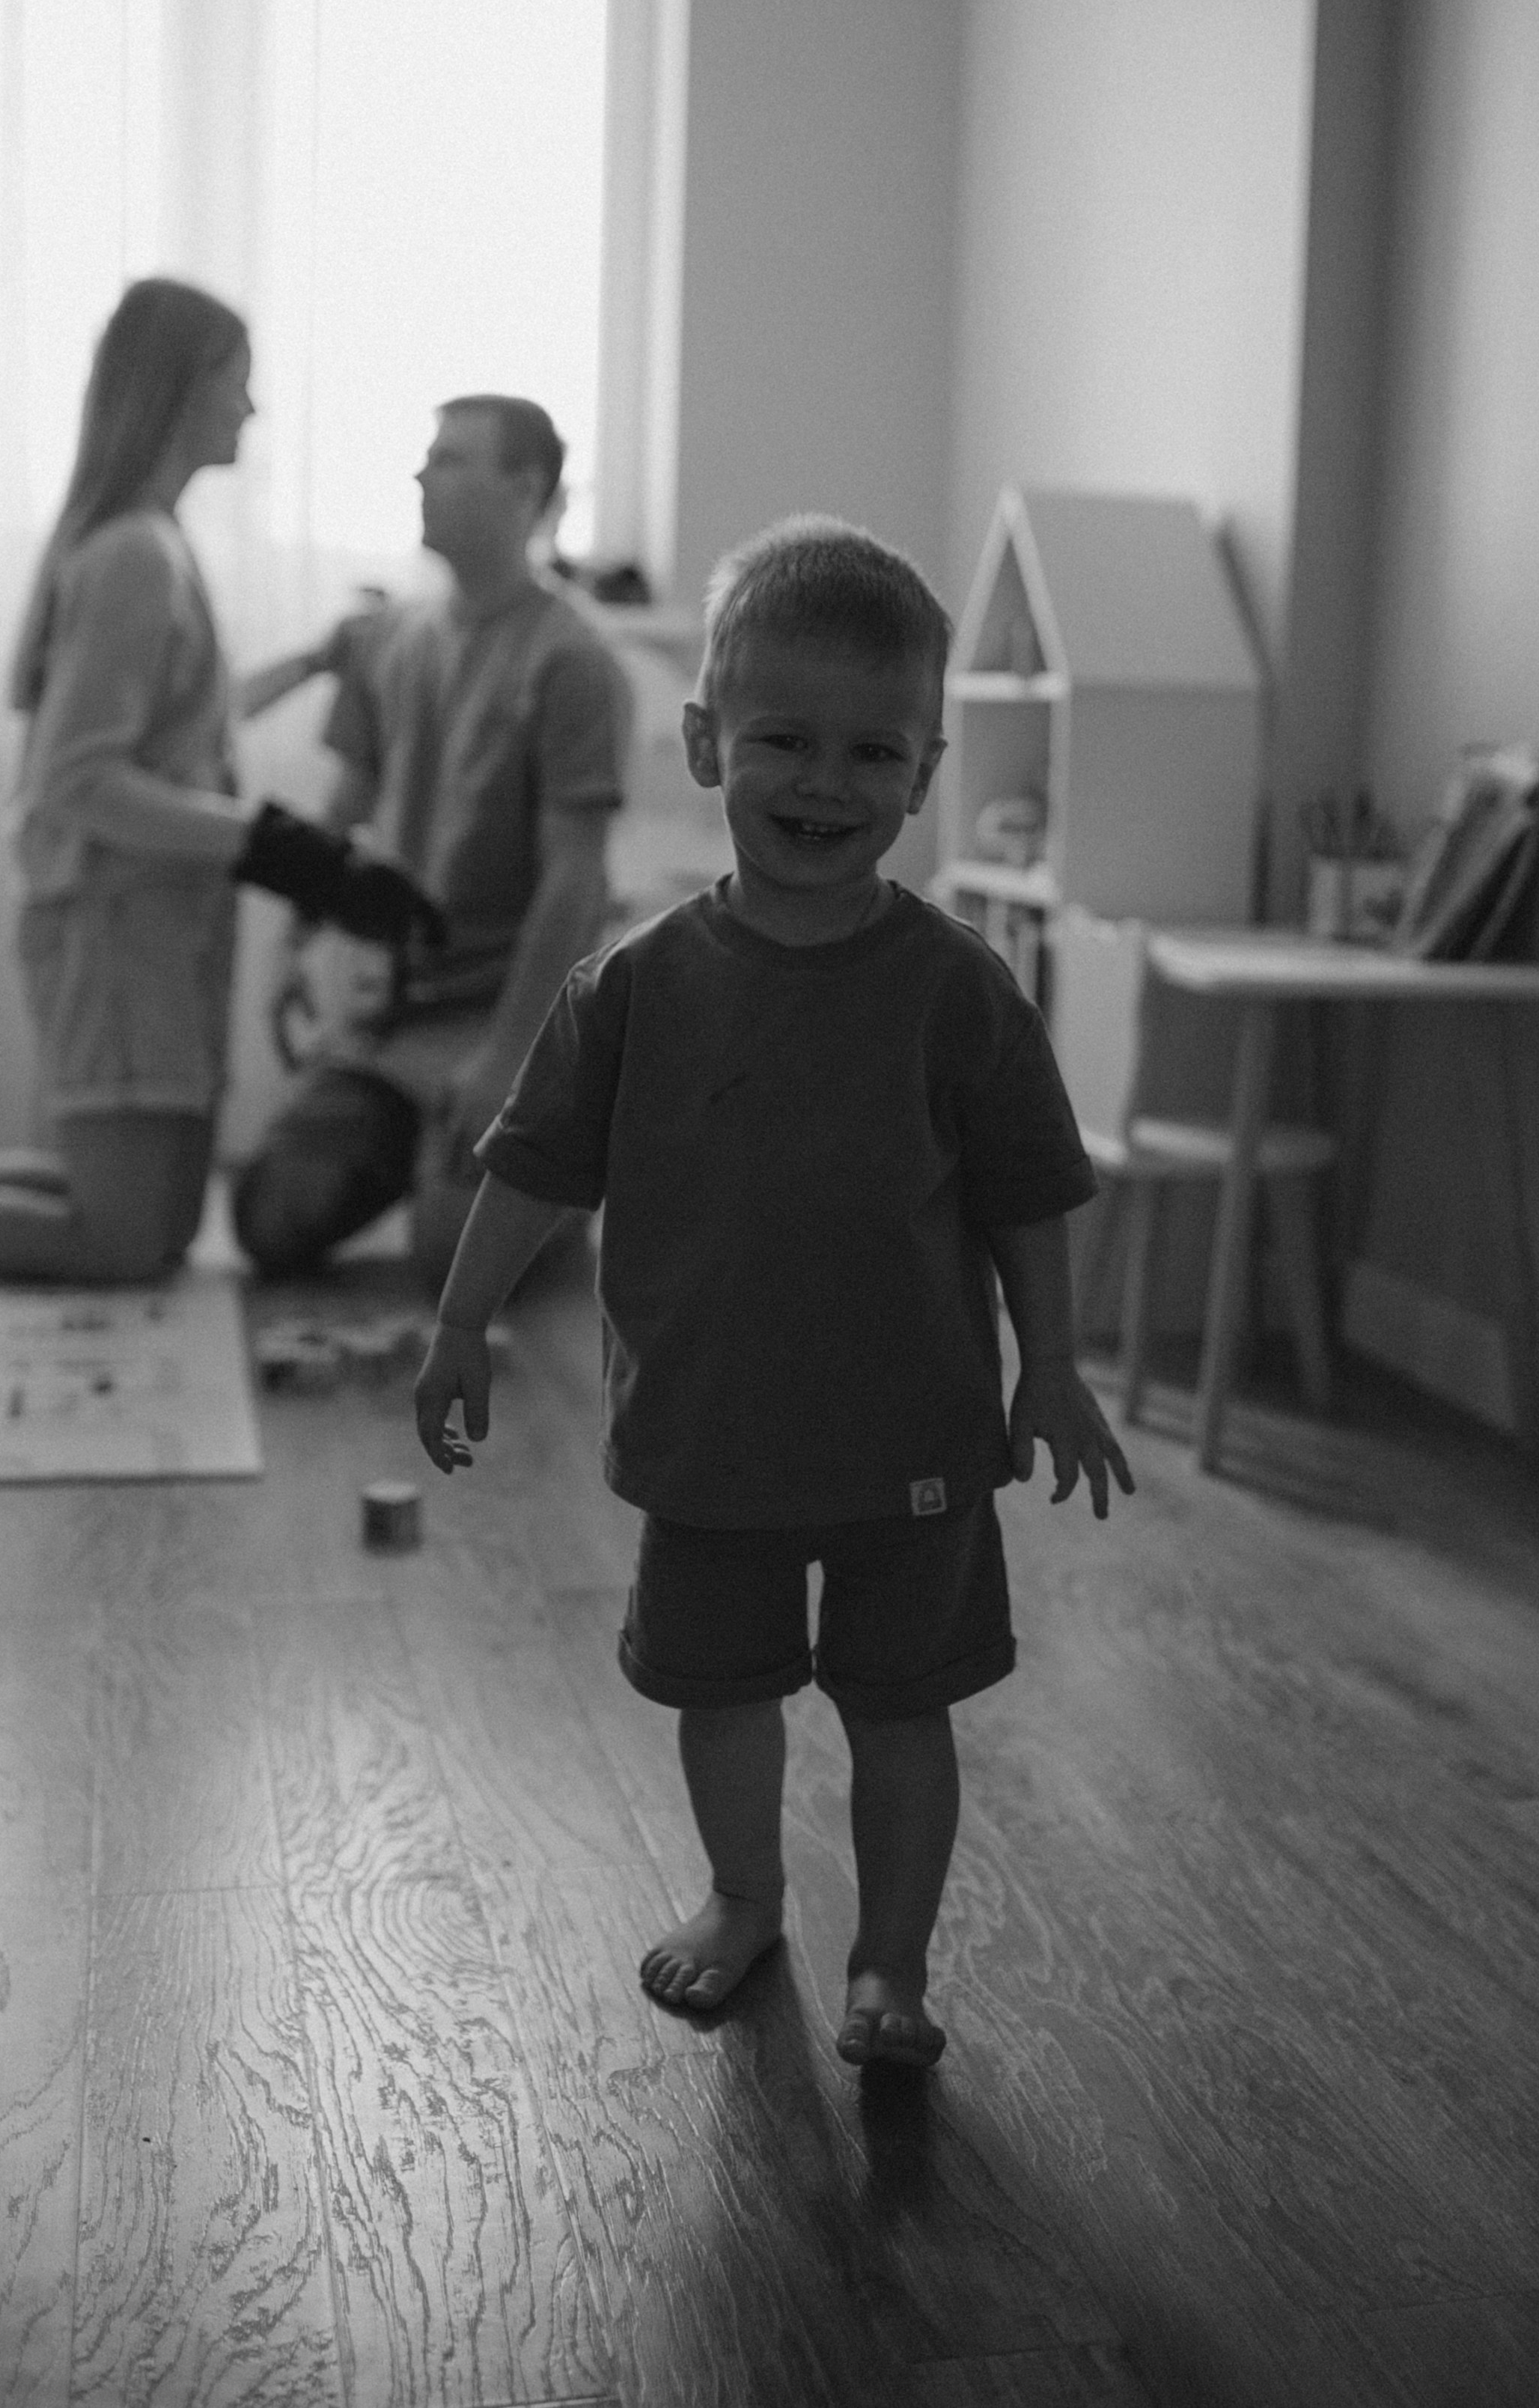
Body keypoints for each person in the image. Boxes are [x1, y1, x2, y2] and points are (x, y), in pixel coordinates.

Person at [413, 516, 1133, 2071]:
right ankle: (744, 1897)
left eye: (872, 749)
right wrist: (464, 1316)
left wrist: (1054, 1363)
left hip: (917, 1438)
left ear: (925, 770)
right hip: (710, 1429)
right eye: (783, 740)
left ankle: (889, 1963)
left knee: (899, 1704)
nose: (824, 780)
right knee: (721, 1690)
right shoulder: (636, 986)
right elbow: (535, 1162)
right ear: (701, 742)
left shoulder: (957, 990)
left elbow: (1027, 1191)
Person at [0, 278, 442, 1287]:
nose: (251, 408)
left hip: (144, 927)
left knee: (145, 1212)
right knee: (130, 1243)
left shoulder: (146, 539)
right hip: (115, 935)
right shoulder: (134, 555)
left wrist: (314, 659)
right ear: (180, 388)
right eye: (236, 383)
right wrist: (284, 848)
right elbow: (79, 779)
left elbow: (173, 733)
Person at [231, 394, 633, 1293]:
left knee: (454, 1261)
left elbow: (575, 878)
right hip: (389, 1025)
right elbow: (344, 806)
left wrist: (507, 1060)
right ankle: (427, 1152)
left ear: (525, 488)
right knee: (266, 1220)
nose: (422, 474)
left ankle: (552, 1163)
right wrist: (291, 945)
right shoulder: (394, 638)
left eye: (450, 459)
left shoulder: (572, 661)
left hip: (501, 1022)